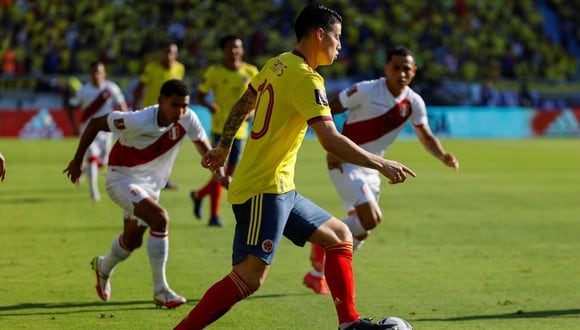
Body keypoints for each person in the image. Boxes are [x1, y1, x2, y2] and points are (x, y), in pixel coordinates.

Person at [174, 4, 416, 330]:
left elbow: (245, 103)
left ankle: (349, 324)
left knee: (340, 236)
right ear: (320, 34)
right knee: (248, 278)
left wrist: (224, 145)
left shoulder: (277, 64)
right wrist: (380, 162)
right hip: (263, 189)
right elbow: (330, 139)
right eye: (337, 36)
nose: (340, 45)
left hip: (281, 188)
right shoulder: (307, 80)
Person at [303, 46, 460, 295]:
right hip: (345, 160)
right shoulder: (365, 90)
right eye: (396, 67)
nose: (401, 73)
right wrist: (332, 143)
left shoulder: (414, 102)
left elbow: (425, 135)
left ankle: (317, 273)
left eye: (406, 68)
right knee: (370, 218)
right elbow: (329, 108)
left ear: (414, 71)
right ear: (386, 68)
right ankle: (322, 242)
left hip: (373, 167)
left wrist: (443, 156)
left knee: (362, 230)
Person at [64, 79, 218, 308]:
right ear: (160, 101)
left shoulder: (188, 119)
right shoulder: (137, 120)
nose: (181, 111)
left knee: (132, 240)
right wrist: (77, 161)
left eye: (185, 105)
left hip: (150, 186)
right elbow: (96, 123)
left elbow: (206, 152)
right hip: (121, 179)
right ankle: (161, 291)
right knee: (160, 219)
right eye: (175, 105)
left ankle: (103, 267)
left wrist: (220, 173)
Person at [190, 34, 259, 227]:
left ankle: (198, 195)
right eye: (230, 48)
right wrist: (209, 105)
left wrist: (252, 111)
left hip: (241, 131)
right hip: (220, 129)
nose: (234, 51)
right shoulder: (215, 72)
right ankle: (214, 216)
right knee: (219, 172)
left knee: (228, 176)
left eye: (237, 47)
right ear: (224, 50)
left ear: (242, 50)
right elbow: (201, 95)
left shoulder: (251, 71)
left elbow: (261, 97)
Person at [66, 61, 128, 201]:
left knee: (102, 163)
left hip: (107, 131)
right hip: (89, 131)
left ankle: (82, 171)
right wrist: (75, 127)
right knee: (92, 157)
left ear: (104, 74)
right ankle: (93, 191)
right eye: (93, 72)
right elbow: (71, 106)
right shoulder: (83, 90)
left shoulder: (111, 88)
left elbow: (121, 104)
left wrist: (126, 123)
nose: (96, 75)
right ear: (89, 74)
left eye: (99, 72)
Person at [133, 40, 185, 191]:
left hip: (171, 115)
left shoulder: (180, 69)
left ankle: (164, 180)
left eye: (172, 53)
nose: (169, 56)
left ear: (176, 55)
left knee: (168, 148)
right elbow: (140, 87)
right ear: (162, 53)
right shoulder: (152, 68)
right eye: (166, 52)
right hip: (151, 114)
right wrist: (135, 107)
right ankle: (140, 176)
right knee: (147, 146)